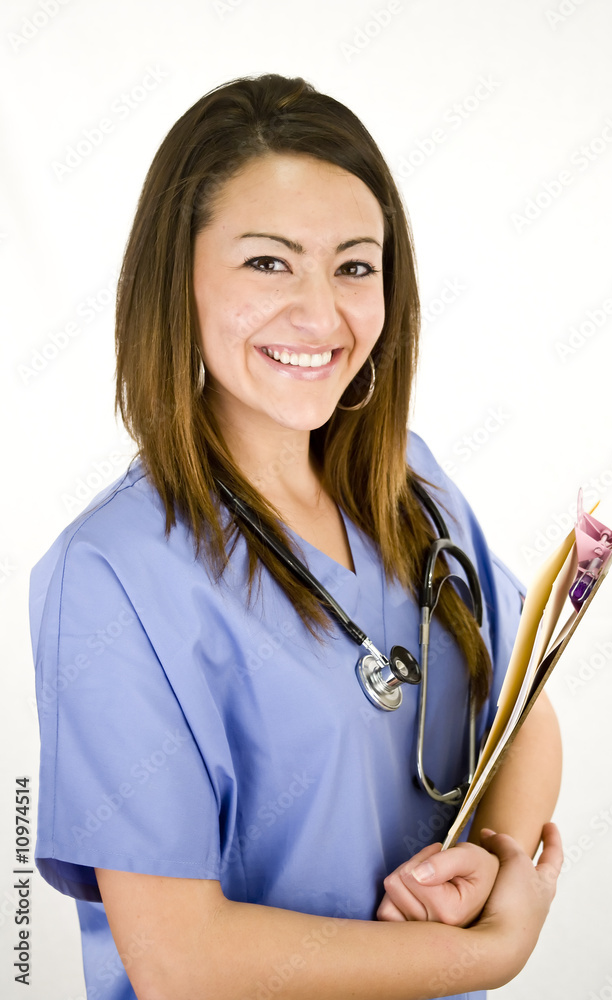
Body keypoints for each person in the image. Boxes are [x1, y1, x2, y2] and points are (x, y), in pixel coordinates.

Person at [29, 73, 563, 1000]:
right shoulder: (114, 571)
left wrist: (490, 852)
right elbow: (180, 962)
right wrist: (485, 952)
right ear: (177, 278)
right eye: (268, 264)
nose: (321, 315)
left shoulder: (411, 484)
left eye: (354, 267)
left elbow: (523, 712)